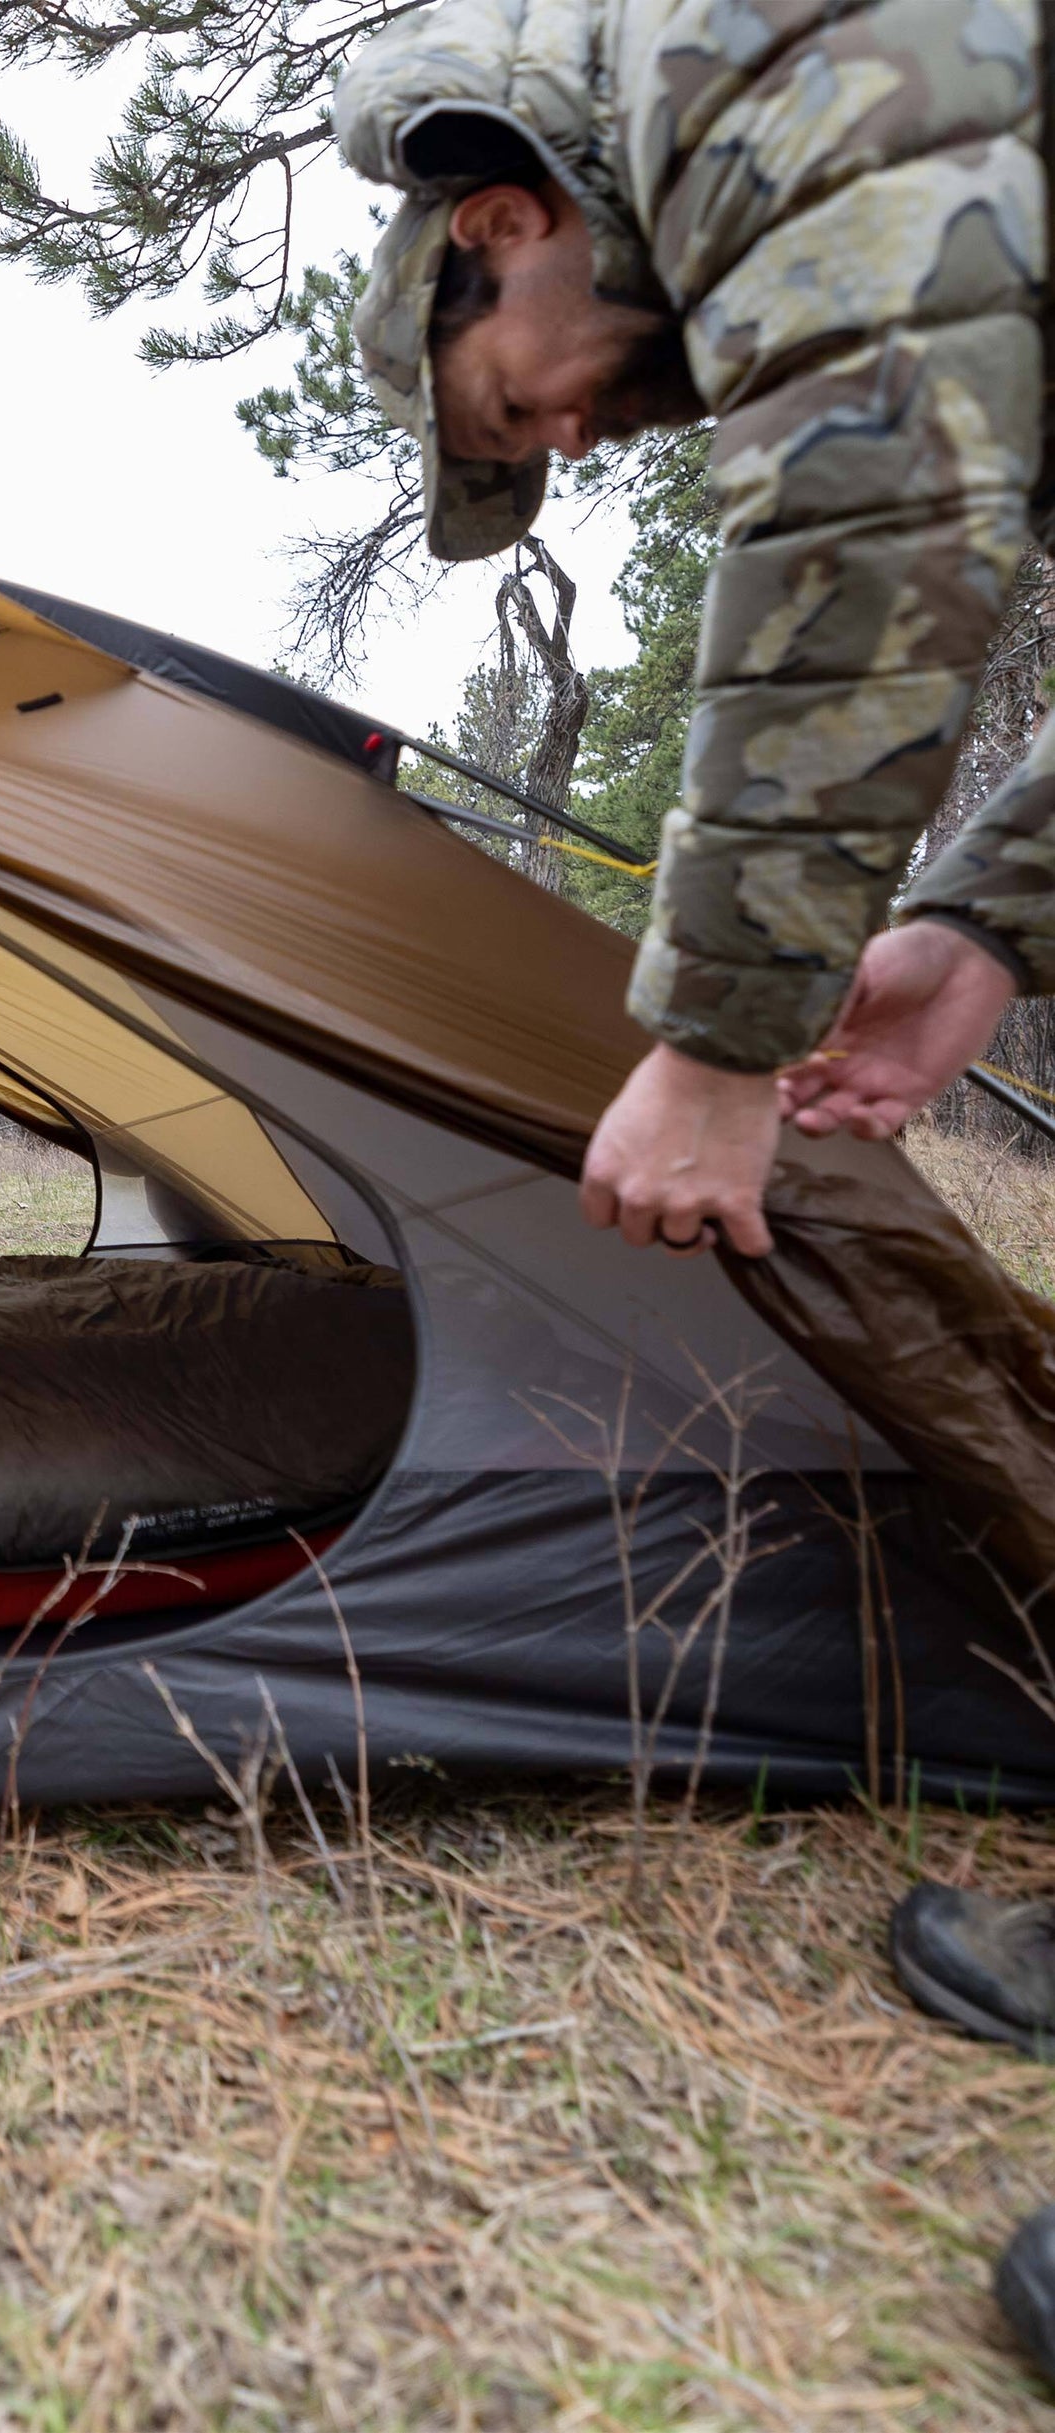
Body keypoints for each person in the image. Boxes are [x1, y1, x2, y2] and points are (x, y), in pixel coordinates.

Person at [335, 0, 1055, 2377]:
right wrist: (984, 915)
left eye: (515, 408)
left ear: (499, 221)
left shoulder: (739, 51)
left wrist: (722, 1037)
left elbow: (870, 490)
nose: (576, 442)